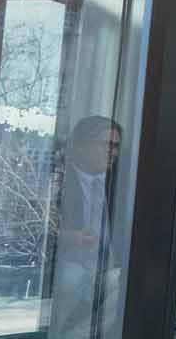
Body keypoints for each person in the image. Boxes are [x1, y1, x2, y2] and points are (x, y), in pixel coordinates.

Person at [51, 115, 125, 337]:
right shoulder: (59, 180)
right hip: (68, 266)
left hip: (104, 268)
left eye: (116, 146)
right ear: (82, 146)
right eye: (107, 145)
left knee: (123, 279)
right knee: (72, 276)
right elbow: (39, 230)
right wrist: (70, 237)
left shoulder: (119, 184)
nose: (113, 152)